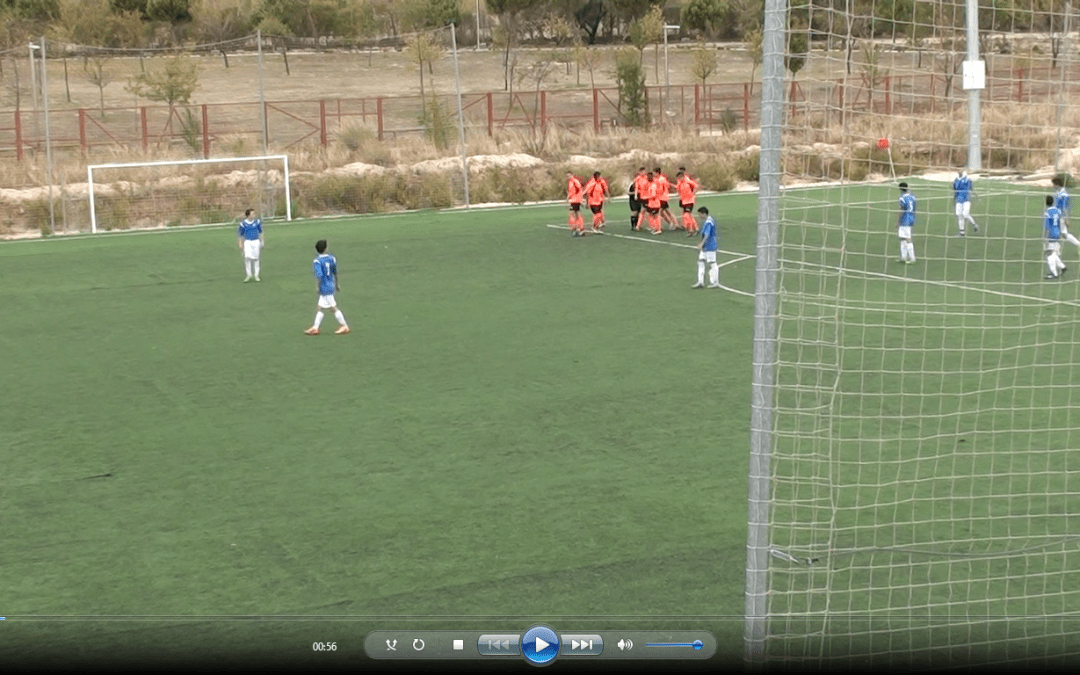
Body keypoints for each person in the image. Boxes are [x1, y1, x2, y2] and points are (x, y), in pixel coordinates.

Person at [305, 239, 351, 335]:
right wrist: (337, 284)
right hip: (331, 284)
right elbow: (335, 272)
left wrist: (317, 286)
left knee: (333, 308)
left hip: (324, 287)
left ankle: (344, 325)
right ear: (326, 249)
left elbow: (319, 275)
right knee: (320, 308)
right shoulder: (332, 258)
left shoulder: (317, 261)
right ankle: (315, 327)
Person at [692, 206, 720, 288]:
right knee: (701, 261)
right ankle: (700, 282)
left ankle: (715, 282)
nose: (699, 216)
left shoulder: (709, 222)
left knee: (712, 263)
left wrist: (701, 243)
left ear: (704, 214)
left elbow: (707, 234)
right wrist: (701, 243)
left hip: (710, 246)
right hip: (705, 246)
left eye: (700, 214)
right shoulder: (708, 221)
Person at [1051, 176, 1080, 248]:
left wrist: (1066, 219)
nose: (1053, 186)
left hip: (1060, 217)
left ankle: (1078, 244)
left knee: (1063, 234)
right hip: (1057, 215)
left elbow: (1064, 208)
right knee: (1059, 233)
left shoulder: (1063, 194)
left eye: (1053, 184)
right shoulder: (1059, 192)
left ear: (1057, 184)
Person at [237, 208, 264, 282]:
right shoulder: (243, 224)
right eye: (252, 214)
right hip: (248, 242)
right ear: (248, 215)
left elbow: (260, 232)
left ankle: (256, 275)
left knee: (256, 258)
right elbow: (240, 234)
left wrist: (262, 241)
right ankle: (248, 275)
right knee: (247, 258)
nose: (254, 215)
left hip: (255, 241)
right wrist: (240, 243)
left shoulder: (257, 222)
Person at [1044, 194, 1067, 280]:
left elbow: (1047, 226)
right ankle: (1062, 267)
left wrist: (1045, 237)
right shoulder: (1057, 210)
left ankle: (1054, 273)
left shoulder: (1047, 212)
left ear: (1046, 202)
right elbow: (1060, 221)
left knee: (1049, 253)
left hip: (1051, 234)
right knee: (1052, 252)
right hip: (1057, 233)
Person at [952, 171, 979, 236]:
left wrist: (972, 195)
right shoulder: (956, 179)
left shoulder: (967, 179)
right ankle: (962, 232)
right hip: (958, 200)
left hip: (966, 200)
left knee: (965, 214)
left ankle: (974, 225)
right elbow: (955, 189)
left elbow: (971, 188)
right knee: (959, 216)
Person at [896, 182, 916, 264]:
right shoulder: (912, 196)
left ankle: (912, 258)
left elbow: (901, 210)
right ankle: (903, 257)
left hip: (905, 219)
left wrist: (897, 221)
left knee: (907, 238)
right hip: (911, 217)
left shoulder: (902, 198)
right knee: (902, 238)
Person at [676, 171, 700, 235]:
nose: (679, 179)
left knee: (687, 214)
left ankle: (690, 229)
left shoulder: (688, 181)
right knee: (689, 215)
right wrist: (680, 198)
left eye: (680, 177)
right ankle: (696, 228)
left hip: (690, 200)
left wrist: (693, 193)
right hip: (684, 201)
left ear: (683, 176)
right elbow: (679, 191)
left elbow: (696, 186)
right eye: (678, 178)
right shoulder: (680, 183)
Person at [654, 166, 678, 230]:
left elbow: (661, 189)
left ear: (657, 173)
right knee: (666, 211)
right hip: (660, 198)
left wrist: (654, 192)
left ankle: (660, 226)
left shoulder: (661, 179)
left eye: (654, 173)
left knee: (659, 212)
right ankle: (673, 223)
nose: (653, 174)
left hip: (662, 198)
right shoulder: (657, 179)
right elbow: (668, 184)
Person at [566, 171, 586, 236]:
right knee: (576, 214)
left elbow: (579, 190)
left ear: (572, 175)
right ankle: (579, 229)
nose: (568, 177)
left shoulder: (575, 182)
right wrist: (568, 197)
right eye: (567, 176)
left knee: (573, 214)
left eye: (569, 175)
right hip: (573, 200)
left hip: (576, 200)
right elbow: (571, 191)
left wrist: (580, 200)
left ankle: (578, 228)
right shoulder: (570, 182)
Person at [633, 167, 650, 231]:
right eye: (641, 172)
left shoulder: (647, 177)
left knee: (648, 212)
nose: (643, 173)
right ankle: (638, 225)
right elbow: (636, 187)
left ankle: (652, 225)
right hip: (643, 197)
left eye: (644, 171)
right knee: (643, 211)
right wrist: (635, 195)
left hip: (649, 196)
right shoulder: (638, 179)